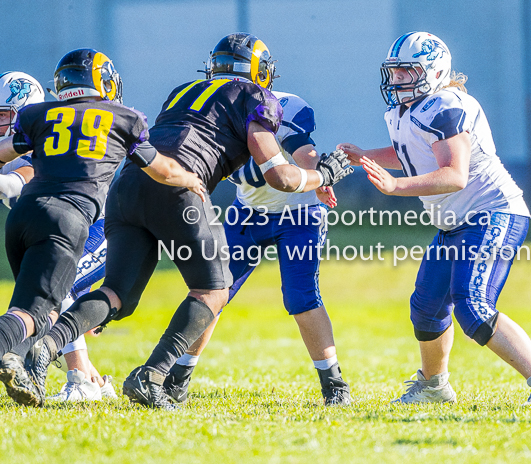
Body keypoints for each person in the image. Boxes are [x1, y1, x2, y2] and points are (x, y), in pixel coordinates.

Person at [32, 33, 354, 410]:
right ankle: (154, 376)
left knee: (118, 293)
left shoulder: (183, 91)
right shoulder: (255, 97)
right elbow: (281, 177)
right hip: (186, 189)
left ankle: (47, 345)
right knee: (214, 290)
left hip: (130, 185)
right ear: (261, 73)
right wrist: (324, 176)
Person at [339, 32, 531, 406]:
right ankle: (434, 387)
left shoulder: (446, 105)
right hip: (456, 221)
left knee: (473, 306)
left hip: (493, 211)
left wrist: (396, 187)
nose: (398, 80)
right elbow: (414, 153)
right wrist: (366, 155)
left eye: (406, 72)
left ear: (433, 71)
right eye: (395, 72)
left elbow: (454, 174)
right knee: (426, 308)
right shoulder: (404, 111)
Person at [0, 49, 205, 407]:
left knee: (42, 307)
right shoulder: (122, 118)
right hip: (69, 221)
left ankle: (52, 372)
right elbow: (162, 169)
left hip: (39, 222)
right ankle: (75, 376)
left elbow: (17, 170)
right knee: (39, 311)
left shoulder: (38, 118)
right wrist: (190, 179)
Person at [163, 89, 351, 406]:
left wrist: (321, 178)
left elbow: (305, 152)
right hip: (247, 211)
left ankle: (334, 385)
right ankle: (177, 380)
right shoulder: (216, 106)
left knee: (301, 296)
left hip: (298, 215)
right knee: (210, 292)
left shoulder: (286, 106)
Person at [0, 71, 117, 404]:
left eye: (2, 114)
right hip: (58, 231)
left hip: (100, 229)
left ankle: (80, 379)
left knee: (55, 292)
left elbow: (18, 181)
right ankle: (92, 377)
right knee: (39, 305)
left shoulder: (41, 145)